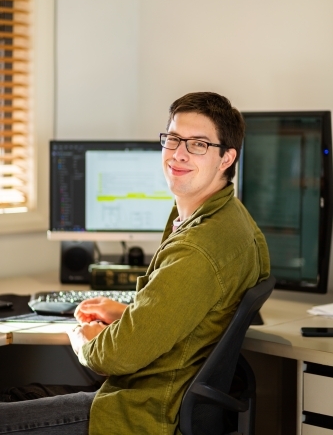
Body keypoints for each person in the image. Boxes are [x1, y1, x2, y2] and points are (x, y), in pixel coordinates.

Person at [0, 92, 270, 434]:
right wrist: (129, 314)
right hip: (159, 399)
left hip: (140, 412)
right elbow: (188, 316)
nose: (179, 153)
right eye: (173, 139)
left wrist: (83, 340)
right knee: (20, 395)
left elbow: (114, 357)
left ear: (226, 158)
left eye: (198, 144)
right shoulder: (231, 220)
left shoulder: (197, 249)